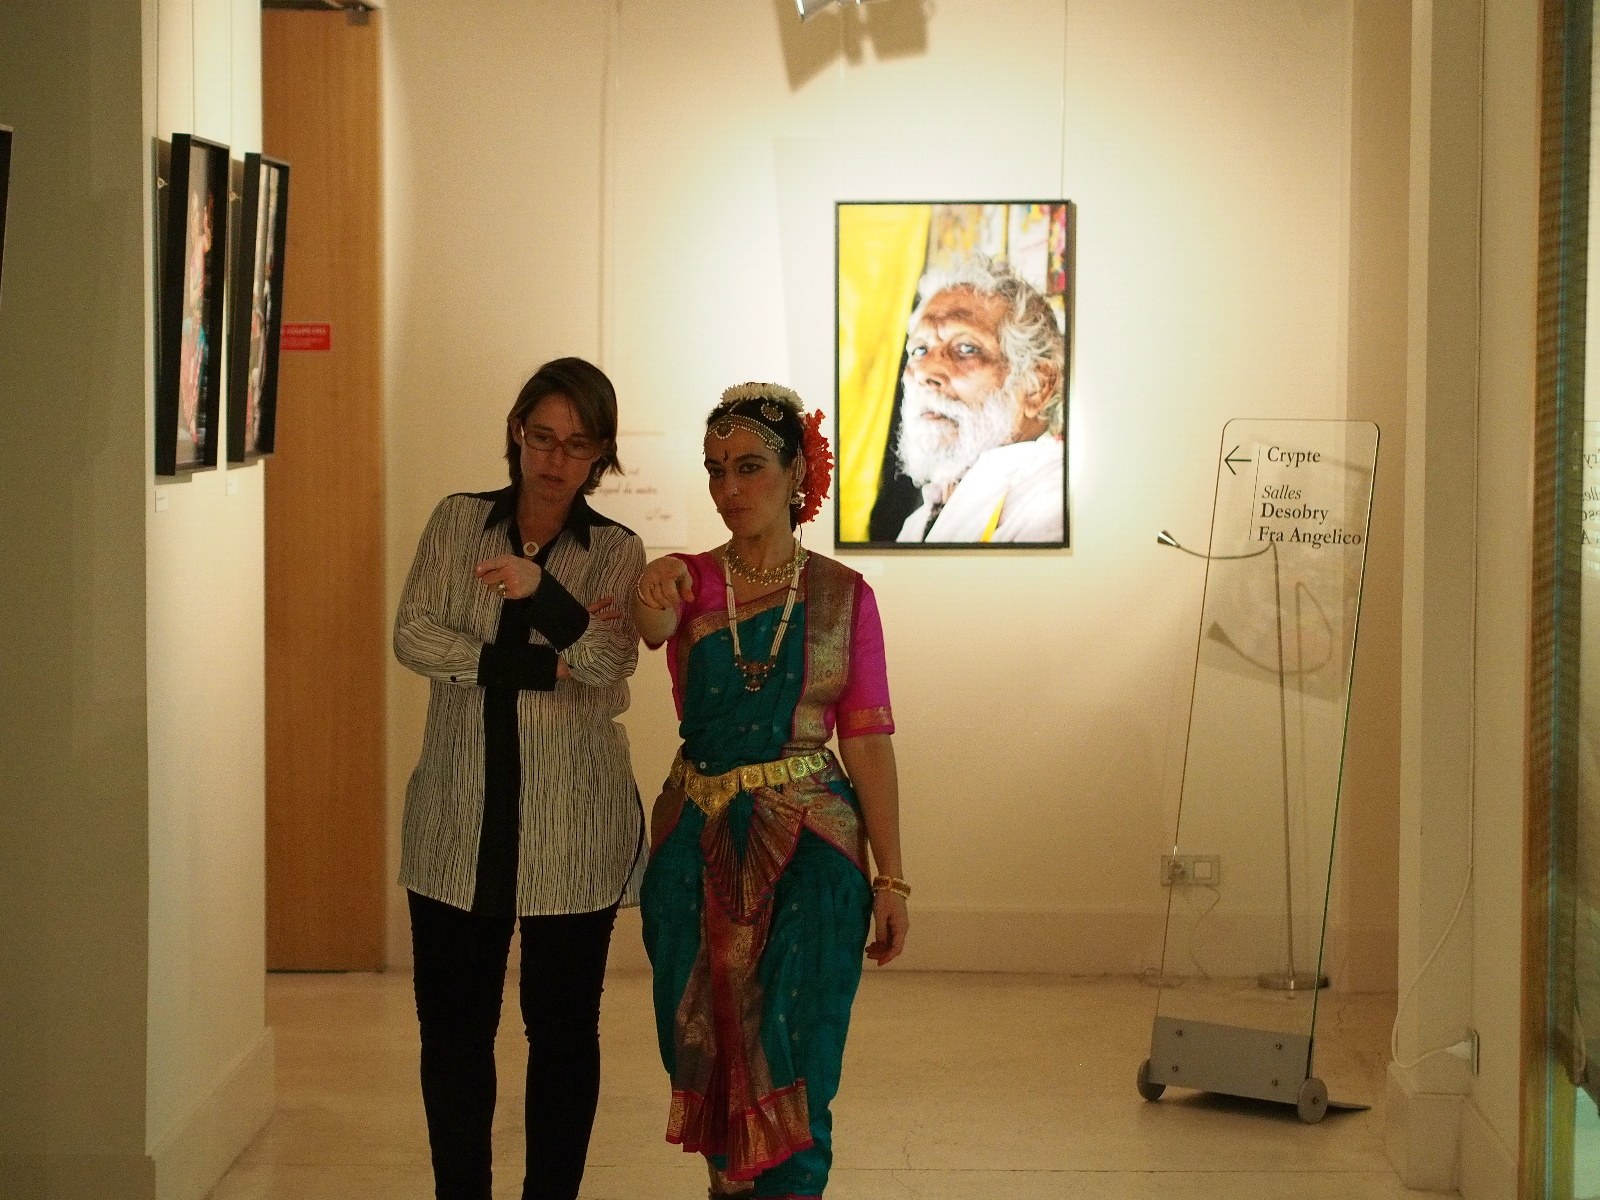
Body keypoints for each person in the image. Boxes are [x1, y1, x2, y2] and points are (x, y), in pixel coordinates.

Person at [632, 382, 909, 1199]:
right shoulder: (687, 581)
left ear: (798, 474)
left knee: (800, 1038)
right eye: (716, 469)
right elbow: (649, 627)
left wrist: (891, 878)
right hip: (698, 832)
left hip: (812, 842)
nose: (728, 488)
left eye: (749, 466)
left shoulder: (844, 596)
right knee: (702, 1042)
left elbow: (868, 741)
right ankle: (731, 1183)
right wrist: (651, 586)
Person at [394, 356, 646, 1200]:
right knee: (454, 1036)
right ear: (516, 432)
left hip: (572, 829)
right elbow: (414, 635)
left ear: (600, 454)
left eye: (577, 445)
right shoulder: (457, 521)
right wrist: (539, 667)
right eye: (543, 437)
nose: (554, 459)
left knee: (564, 1035)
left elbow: (609, 661)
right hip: (455, 822)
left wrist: (544, 591)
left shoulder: (617, 550)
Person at [893, 254, 1066, 543]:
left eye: (965, 348)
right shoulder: (920, 519)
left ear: (1037, 386)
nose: (924, 372)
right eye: (920, 350)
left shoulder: (1054, 503)